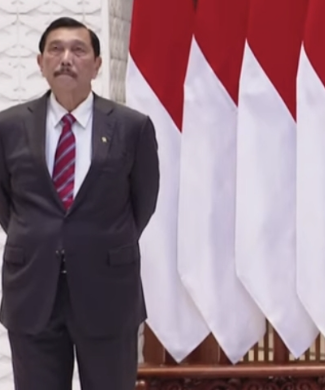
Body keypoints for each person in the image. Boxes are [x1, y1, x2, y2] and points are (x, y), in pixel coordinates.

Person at [0, 17, 159, 390]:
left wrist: (95, 239)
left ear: (97, 64)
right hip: (33, 290)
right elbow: (6, 202)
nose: (66, 58)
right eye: (55, 49)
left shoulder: (131, 127)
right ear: (41, 63)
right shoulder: (7, 127)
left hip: (108, 290)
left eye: (78, 49)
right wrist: (44, 237)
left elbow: (143, 202)